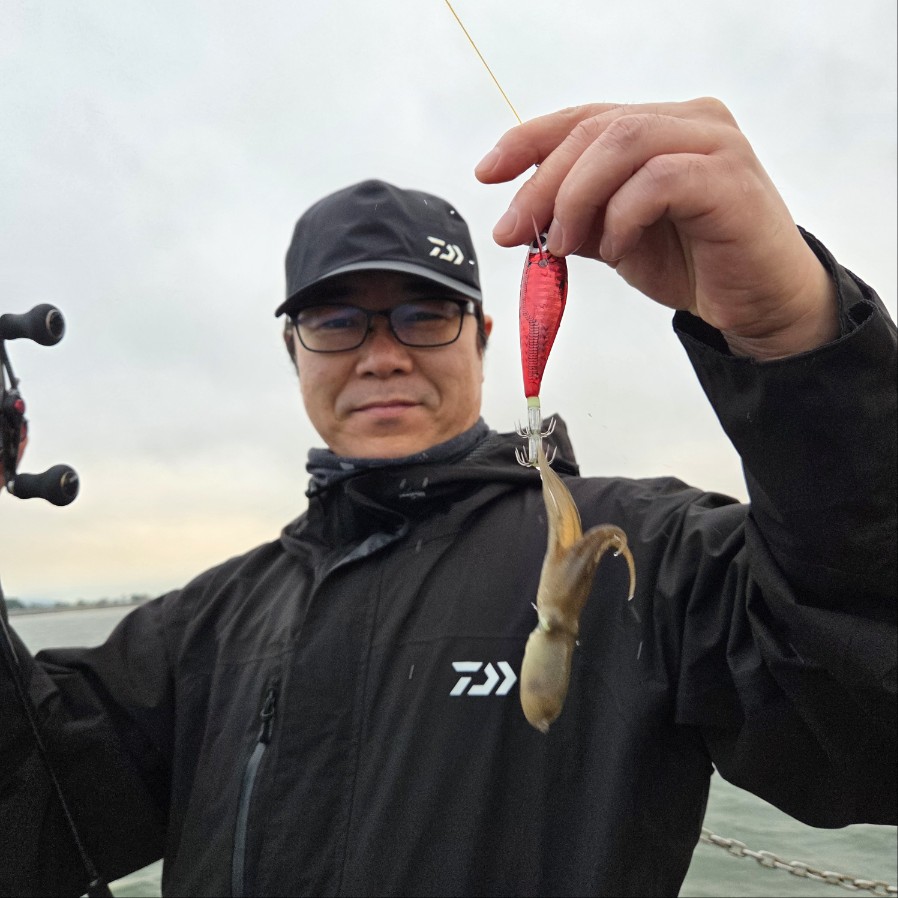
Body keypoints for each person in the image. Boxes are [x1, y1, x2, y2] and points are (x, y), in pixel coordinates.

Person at [1, 98, 895, 897]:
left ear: (485, 337)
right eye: (336, 320)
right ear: (292, 351)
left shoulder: (661, 561)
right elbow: (26, 824)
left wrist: (795, 338)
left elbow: (866, 725)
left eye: (424, 315)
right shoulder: (200, 629)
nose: (382, 355)